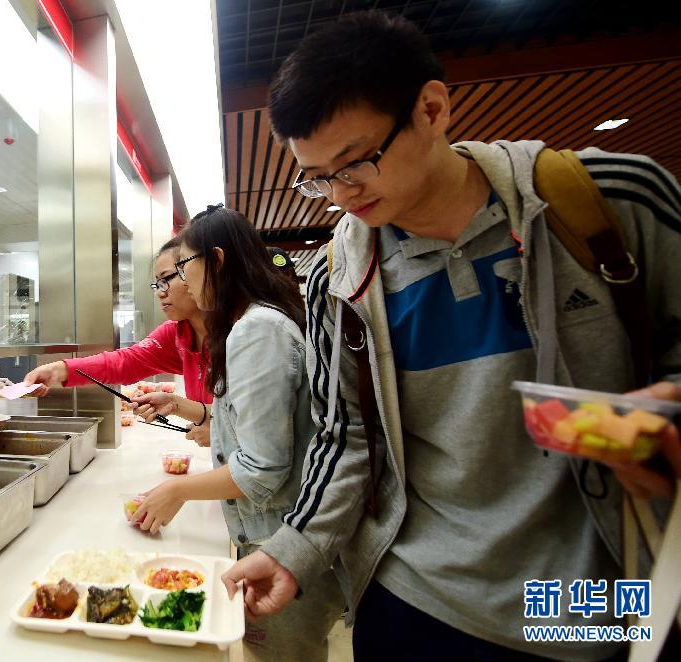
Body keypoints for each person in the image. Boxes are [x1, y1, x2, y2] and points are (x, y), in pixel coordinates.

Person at [220, 12, 681, 662]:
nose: (340, 194)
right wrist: (293, 549)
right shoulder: (339, 275)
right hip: (412, 597)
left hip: (591, 608)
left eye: (355, 163)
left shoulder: (609, 203)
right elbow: (345, 436)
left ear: (433, 108)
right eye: (317, 176)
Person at [131, 206, 344, 662]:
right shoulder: (257, 322)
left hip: (279, 534)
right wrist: (199, 410)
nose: (183, 284)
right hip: (277, 530)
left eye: (185, 268)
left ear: (219, 261)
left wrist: (178, 490)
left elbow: (263, 468)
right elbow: (263, 422)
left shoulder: (255, 331)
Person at [25, 236, 213, 446]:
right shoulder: (177, 333)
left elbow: (248, 420)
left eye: (167, 278)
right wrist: (59, 370)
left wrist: (218, 429)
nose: (160, 292)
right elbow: (125, 361)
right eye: (157, 283)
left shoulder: (241, 333)